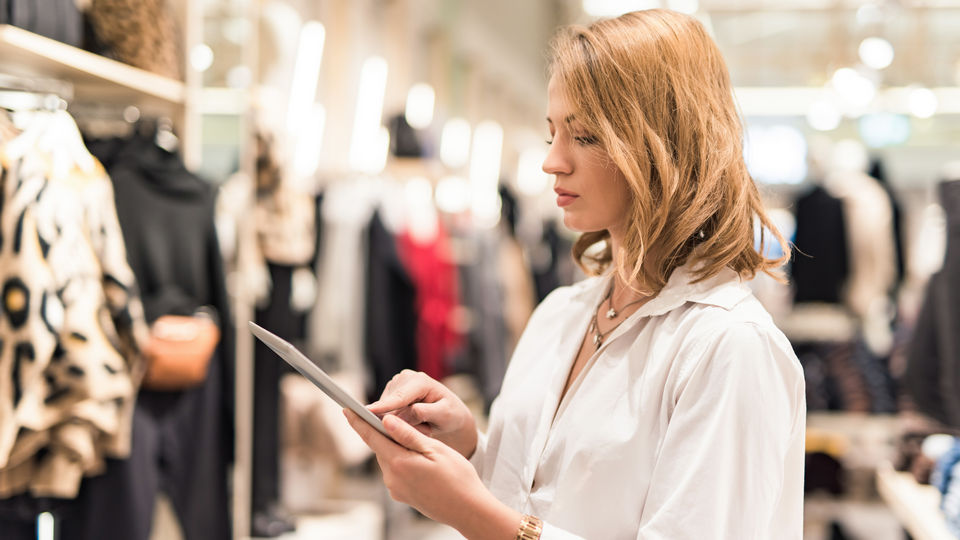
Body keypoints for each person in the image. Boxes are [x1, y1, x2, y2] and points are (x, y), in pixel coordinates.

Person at [344, 9, 805, 539]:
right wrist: (470, 448)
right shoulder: (562, 314)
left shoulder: (728, 347)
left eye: (584, 136)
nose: (553, 162)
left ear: (664, 143)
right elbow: (545, 495)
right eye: (552, 134)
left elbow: (517, 523)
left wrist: (474, 515)